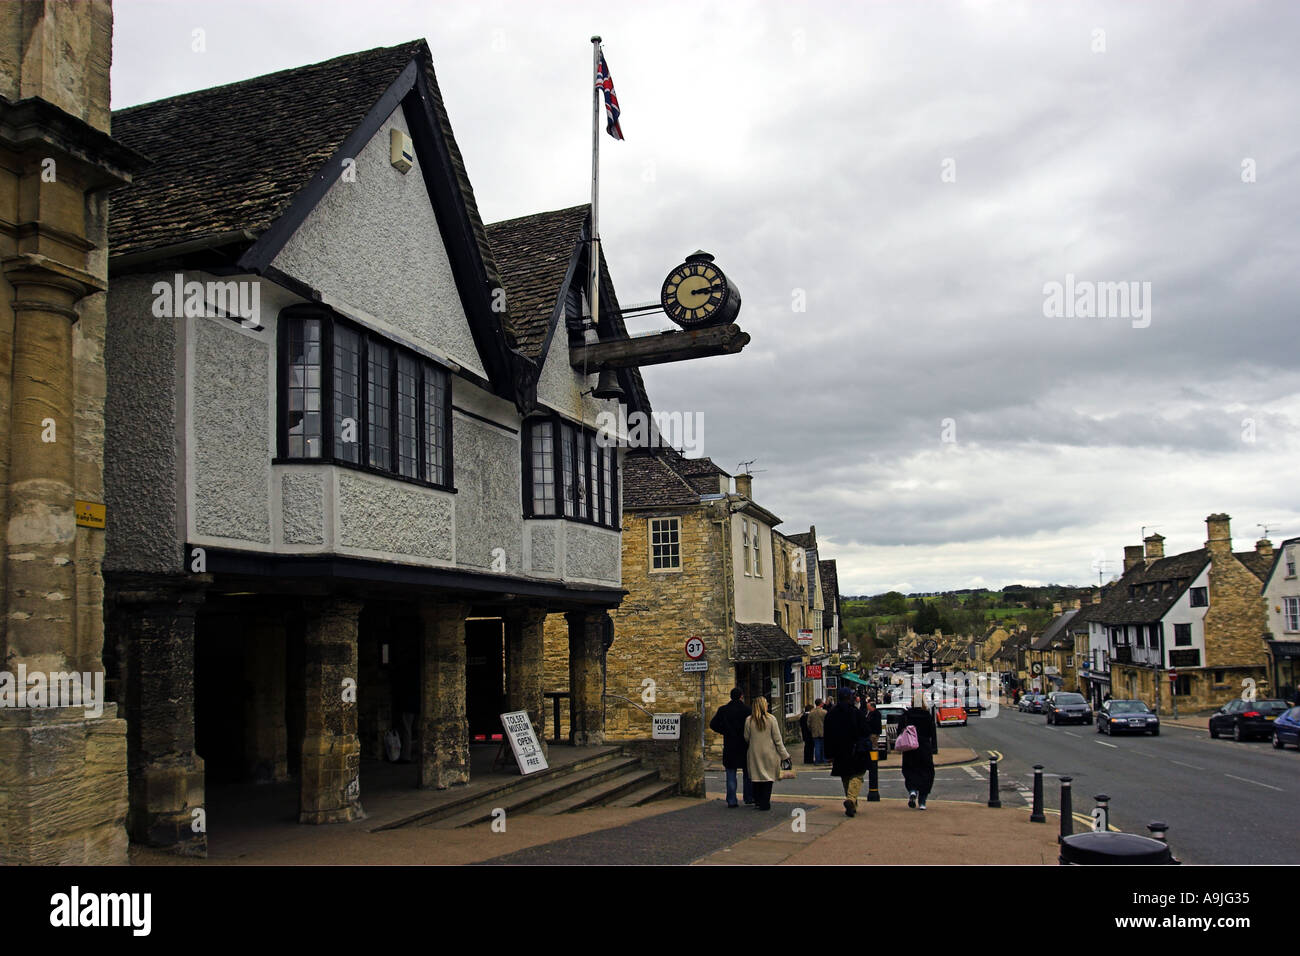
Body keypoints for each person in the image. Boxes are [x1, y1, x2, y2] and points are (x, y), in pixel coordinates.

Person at [823, 687, 871, 816]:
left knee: (845, 776)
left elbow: (827, 736)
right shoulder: (855, 712)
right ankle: (850, 799)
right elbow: (865, 731)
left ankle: (852, 804)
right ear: (849, 697)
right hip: (856, 749)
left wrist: (828, 754)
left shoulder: (831, 714)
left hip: (839, 750)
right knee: (858, 774)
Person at [743, 696, 790, 811]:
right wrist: (785, 755)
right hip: (769, 753)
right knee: (768, 779)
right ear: (764, 706)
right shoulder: (771, 719)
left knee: (756, 778)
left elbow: (746, 737)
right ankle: (765, 802)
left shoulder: (749, 720)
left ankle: (758, 801)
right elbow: (777, 739)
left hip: (754, 753)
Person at [709, 688, 752, 807]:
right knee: (747, 773)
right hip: (744, 745)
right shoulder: (747, 710)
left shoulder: (723, 710)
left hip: (730, 745)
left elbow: (713, 724)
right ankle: (748, 797)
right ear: (741, 696)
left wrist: (724, 731)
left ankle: (732, 800)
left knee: (731, 773)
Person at [897, 690, 939, 810]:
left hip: (910, 748)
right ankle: (922, 802)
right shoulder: (927, 716)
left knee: (910, 771)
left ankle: (912, 791)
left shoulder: (906, 715)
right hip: (924, 748)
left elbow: (899, 730)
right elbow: (931, 733)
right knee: (927, 773)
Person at [808, 697, 827, 764]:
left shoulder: (811, 713)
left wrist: (811, 729)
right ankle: (824, 760)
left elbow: (808, 723)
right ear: (821, 704)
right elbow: (827, 722)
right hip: (823, 731)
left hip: (815, 731)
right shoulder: (824, 712)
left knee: (817, 747)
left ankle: (817, 761)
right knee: (824, 747)